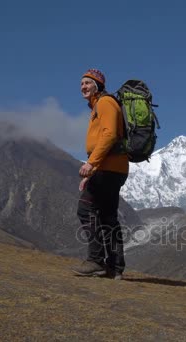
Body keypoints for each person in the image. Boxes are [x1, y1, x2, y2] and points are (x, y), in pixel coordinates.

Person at [72, 68, 128, 280]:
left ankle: (96, 260)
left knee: (85, 210)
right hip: (112, 168)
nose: (83, 87)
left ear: (98, 85)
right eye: (81, 84)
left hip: (107, 167)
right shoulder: (100, 105)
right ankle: (114, 267)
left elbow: (110, 134)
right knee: (107, 217)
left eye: (87, 83)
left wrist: (91, 163)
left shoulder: (105, 103)